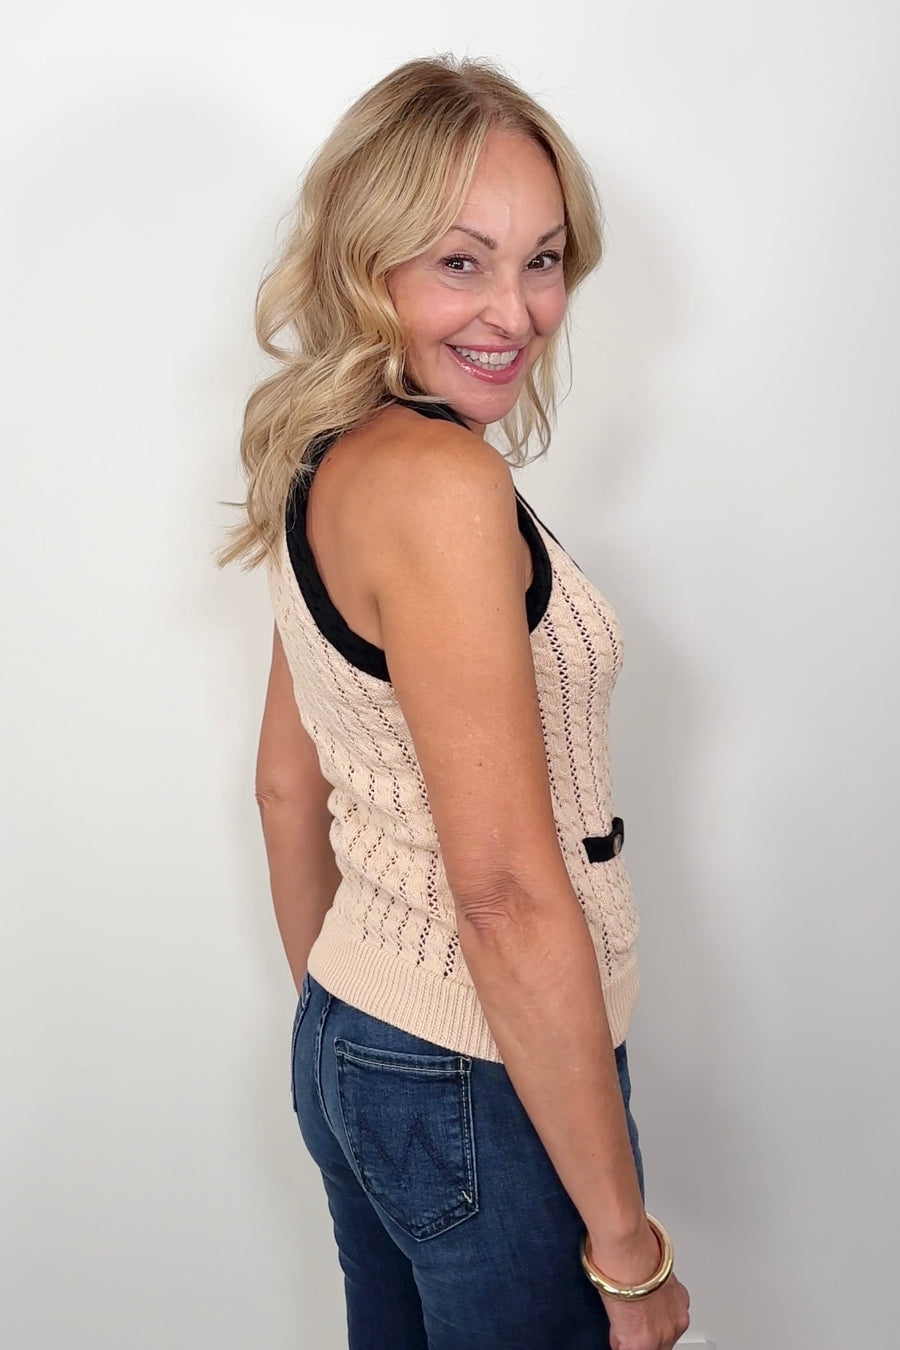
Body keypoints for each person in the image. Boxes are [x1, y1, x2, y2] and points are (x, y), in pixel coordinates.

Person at [220, 54, 692, 1350]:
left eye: (543, 259)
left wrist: (361, 1030)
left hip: (361, 1038)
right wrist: (628, 1252)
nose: (521, 308)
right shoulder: (440, 486)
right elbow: (501, 891)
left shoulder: (322, 454)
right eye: (462, 260)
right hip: (484, 1071)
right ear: (368, 264)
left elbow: (283, 786)